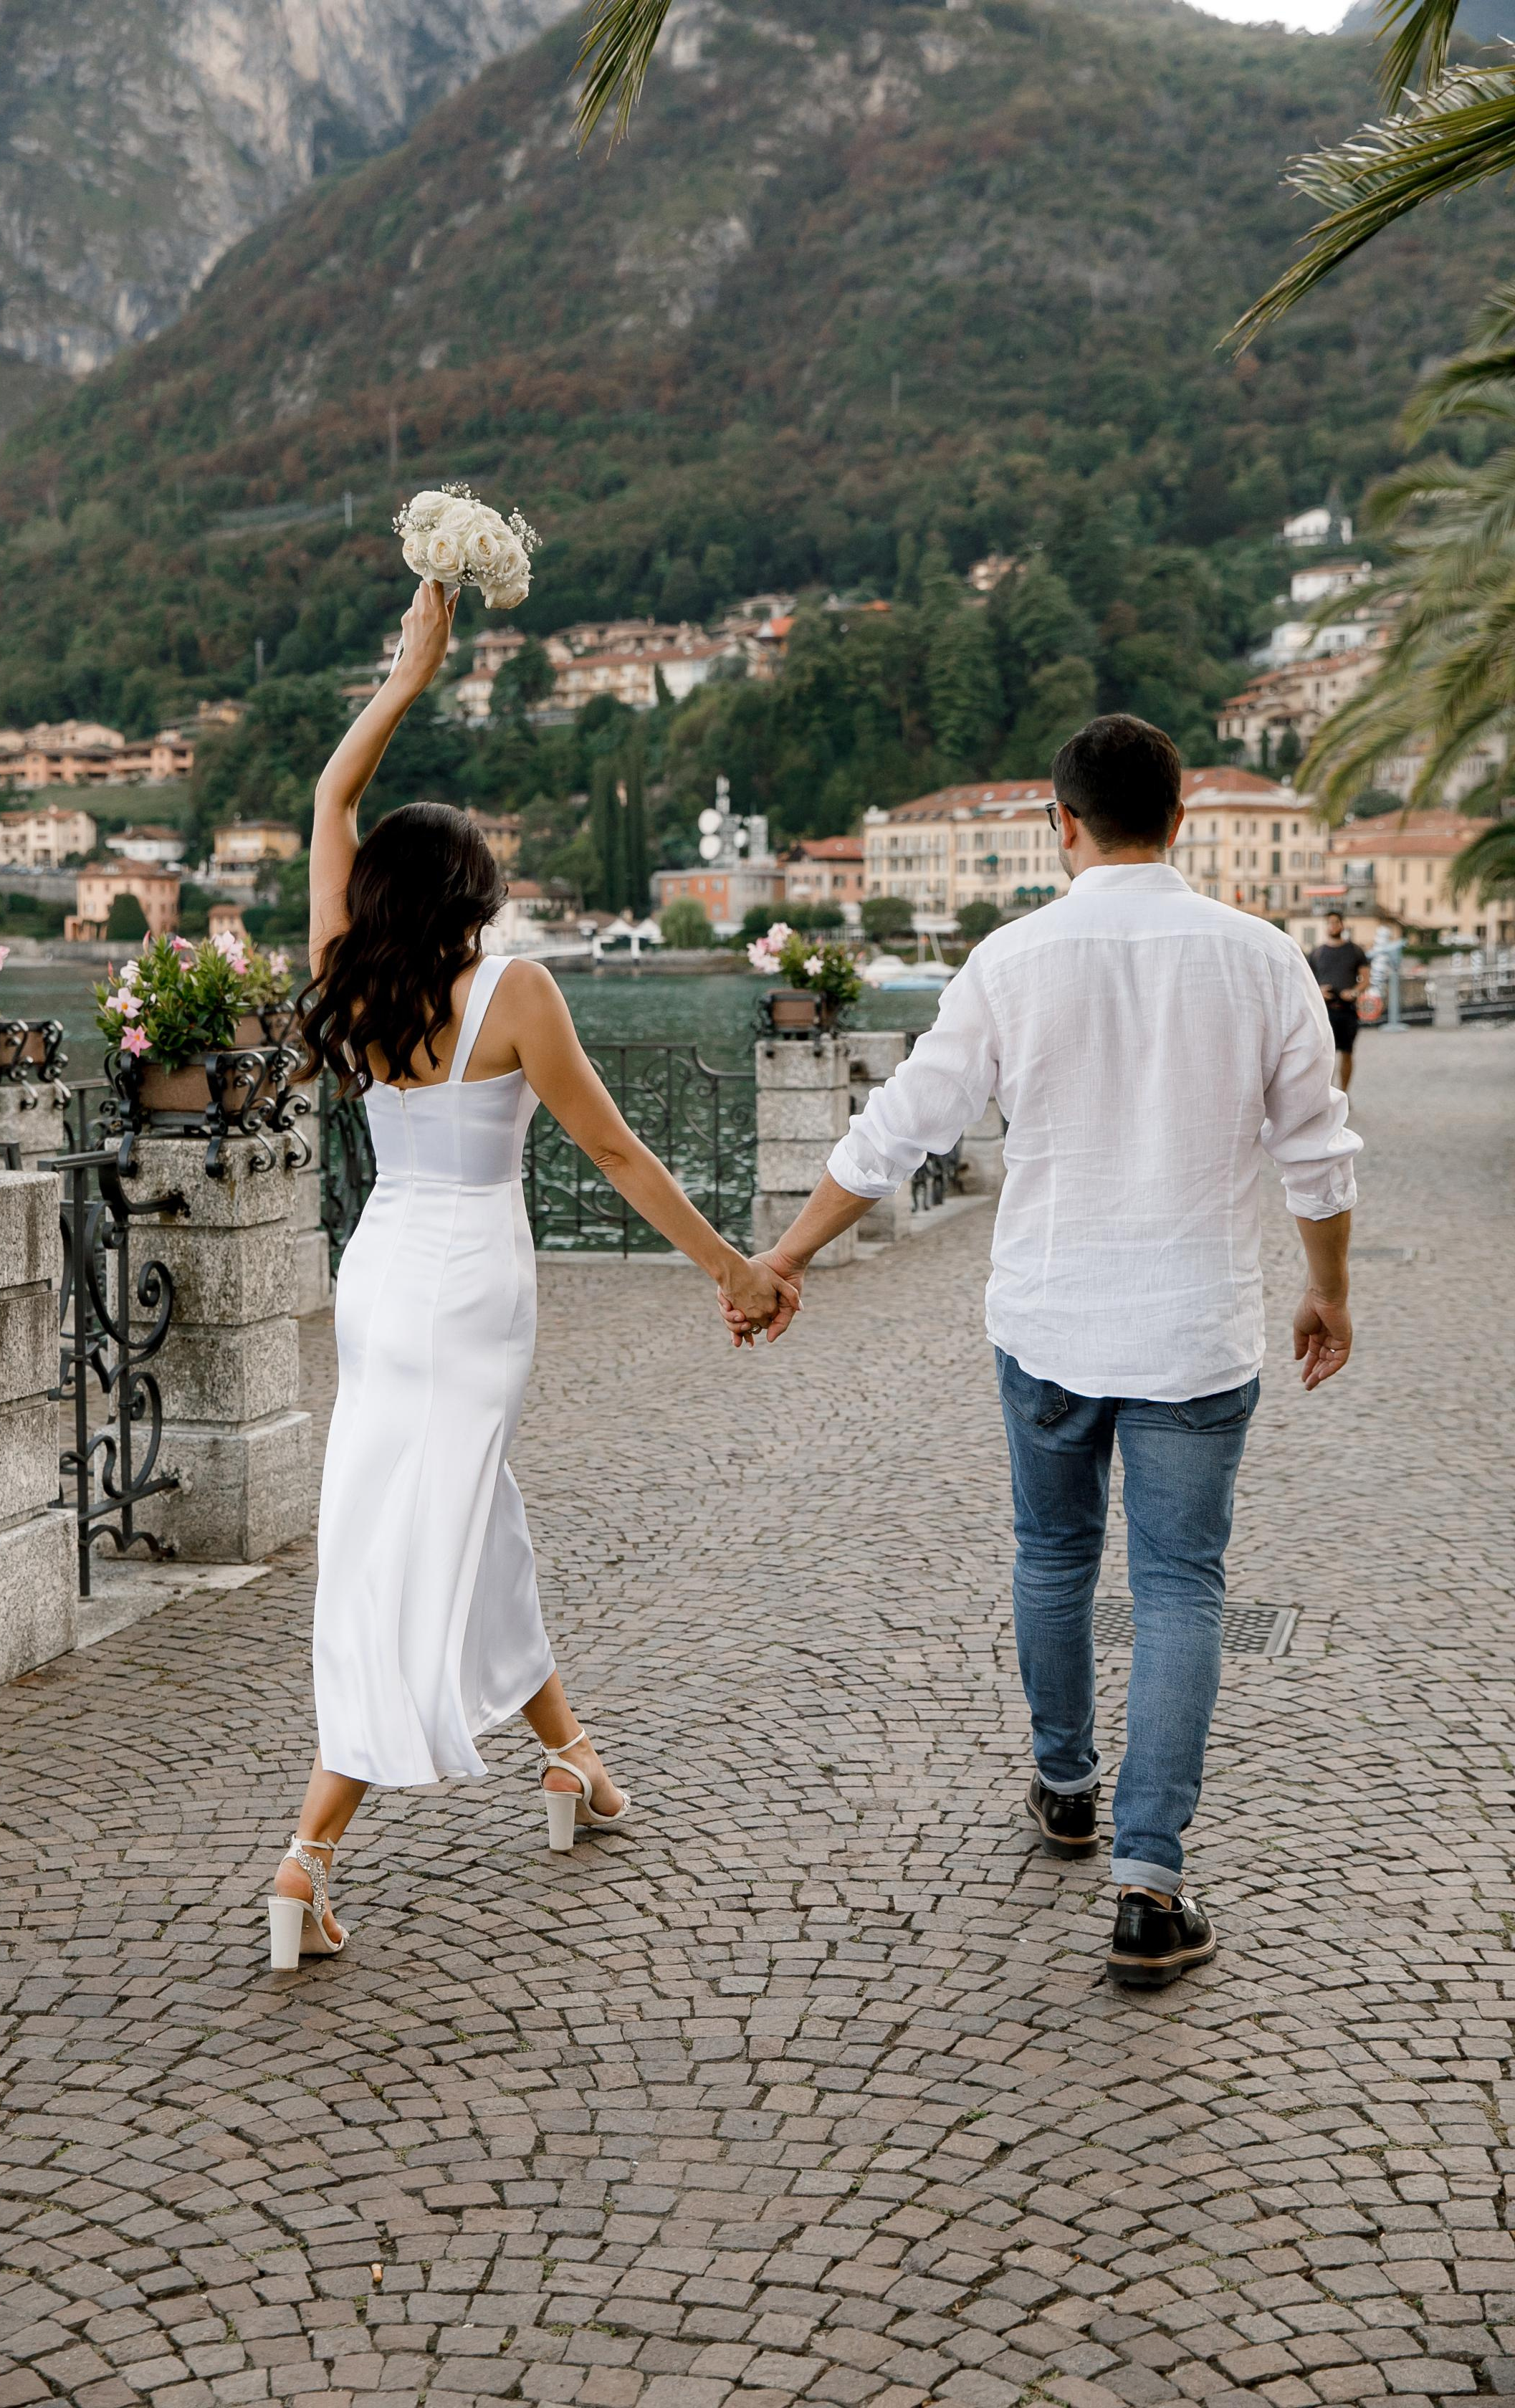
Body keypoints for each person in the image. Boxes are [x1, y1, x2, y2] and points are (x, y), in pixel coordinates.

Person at [723, 715, 1360, 1988]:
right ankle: (1148, 1884)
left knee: (1053, 1553)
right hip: (1195, 1328)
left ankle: (1066, 1785)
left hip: (1053, 1322)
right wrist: (1327, 1292)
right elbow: (1318, 1151)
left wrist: (786, 1256)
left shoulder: (1011, 959)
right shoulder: (1262, 957)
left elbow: (899, 1127)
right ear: (1180, 819)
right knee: (1182, 1588)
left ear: (1058, 823)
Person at [267, 578, 798, 1972]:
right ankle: (310, 1851)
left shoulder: (349, 976)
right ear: (474, 896)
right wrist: (734, 1271)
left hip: (380, 1278)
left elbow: (327, 804)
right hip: (477, 1287)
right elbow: (616, 1156)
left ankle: (573, 1763)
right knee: (420, 1548)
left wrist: (402, 678)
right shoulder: (515, 994)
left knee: (465, 1518)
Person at [1307, 909, 1370, 1092]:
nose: (1334, 926)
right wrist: (1318, 991)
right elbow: (1306, 981)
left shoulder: (1355, 951)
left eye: (1337, 922)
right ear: (1326, 927)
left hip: (1348, 1009)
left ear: (1342, 925)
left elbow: (1366, 979)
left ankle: (1344, 1093)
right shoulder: (1317, 953)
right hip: (1324, 1011)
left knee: (1348, 1052)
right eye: (1330, 923)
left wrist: (1354, 992)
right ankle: (1326, 1095)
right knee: (1325, 1055)